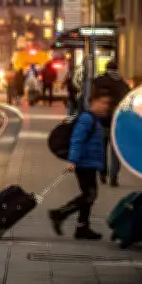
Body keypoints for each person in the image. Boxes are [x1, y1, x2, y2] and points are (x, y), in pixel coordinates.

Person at [48, 88, 112, 240]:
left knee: (89, 195)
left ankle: (82, 227)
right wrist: (73, 160)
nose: (105, 106)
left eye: (107, 104)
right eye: (103, 103)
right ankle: (60, 214)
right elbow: (77, 139)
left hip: (90, 164)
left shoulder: (95, 119)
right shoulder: (87, 119)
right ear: (93, 102)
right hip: (84, 164)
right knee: (89, 195)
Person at [93, 61, 130, 187]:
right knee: (116, 152)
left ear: (106, 69)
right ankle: (113, 176)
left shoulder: (99, 81)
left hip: (102, 121)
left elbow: (92, 98)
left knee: (101, 148)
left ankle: (103, 173)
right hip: (117, 123)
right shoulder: (122, 84)